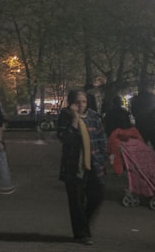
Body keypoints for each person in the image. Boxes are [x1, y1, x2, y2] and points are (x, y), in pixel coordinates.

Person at [57, 89, 107, 246]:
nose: (81, 105)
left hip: (94, 162)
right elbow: (65, 138)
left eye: (84, 101)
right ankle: (82, 234)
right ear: (71, 103)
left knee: (97, 196)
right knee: (76, 201)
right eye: (77, 102)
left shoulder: (93, 117)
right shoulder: (65, 116)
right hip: (74, 166)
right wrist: (74, 119)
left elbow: (101, 138)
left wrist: (103, 158)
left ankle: (82, 225)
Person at [130, 85, 155, 163]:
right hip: (153, 125)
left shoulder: (135, 100)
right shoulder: (153, 98)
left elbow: (134, 112)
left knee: (142, 145)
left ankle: (143, 162)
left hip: (141, 126)